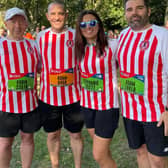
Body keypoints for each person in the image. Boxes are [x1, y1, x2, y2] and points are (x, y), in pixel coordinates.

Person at [117, 0, 168, 167]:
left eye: (139, 8)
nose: (134, 13)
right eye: (130, 9)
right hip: (130, 111)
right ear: (125, 13)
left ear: (149, 10)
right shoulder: (123, 35)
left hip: (157, 112)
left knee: (158, 159)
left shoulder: (162, 36)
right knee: (140, 151)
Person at [36, 1, 83, 168]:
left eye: (60, 13)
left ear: (66, 15)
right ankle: (55, 165)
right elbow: (38, 65)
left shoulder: (76, 35)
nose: (57, 17)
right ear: (48, 16)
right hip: (49, 98)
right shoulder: (40, 38)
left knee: (75, 135)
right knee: (52, 135)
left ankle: (78, 166)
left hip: (73, 97)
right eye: (53, 14)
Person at [75, 10, 119, 168]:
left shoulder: (113, 45)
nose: (88, 27)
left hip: (107, 106)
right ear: (79, 28)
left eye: (92, 23)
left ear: (99, 25)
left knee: (98, 154)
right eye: (83, 24)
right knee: (103, 153)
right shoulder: (80, 49)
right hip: (88, 106)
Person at [0, 7, 41, 168]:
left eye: (21, 21)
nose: (17, 25)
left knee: (28, 138)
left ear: (26, 24)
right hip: (6, 104)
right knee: (4, 143)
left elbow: (40, 68)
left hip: (29, 104)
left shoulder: (33, 45)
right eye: (13, 21)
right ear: (6, 24)